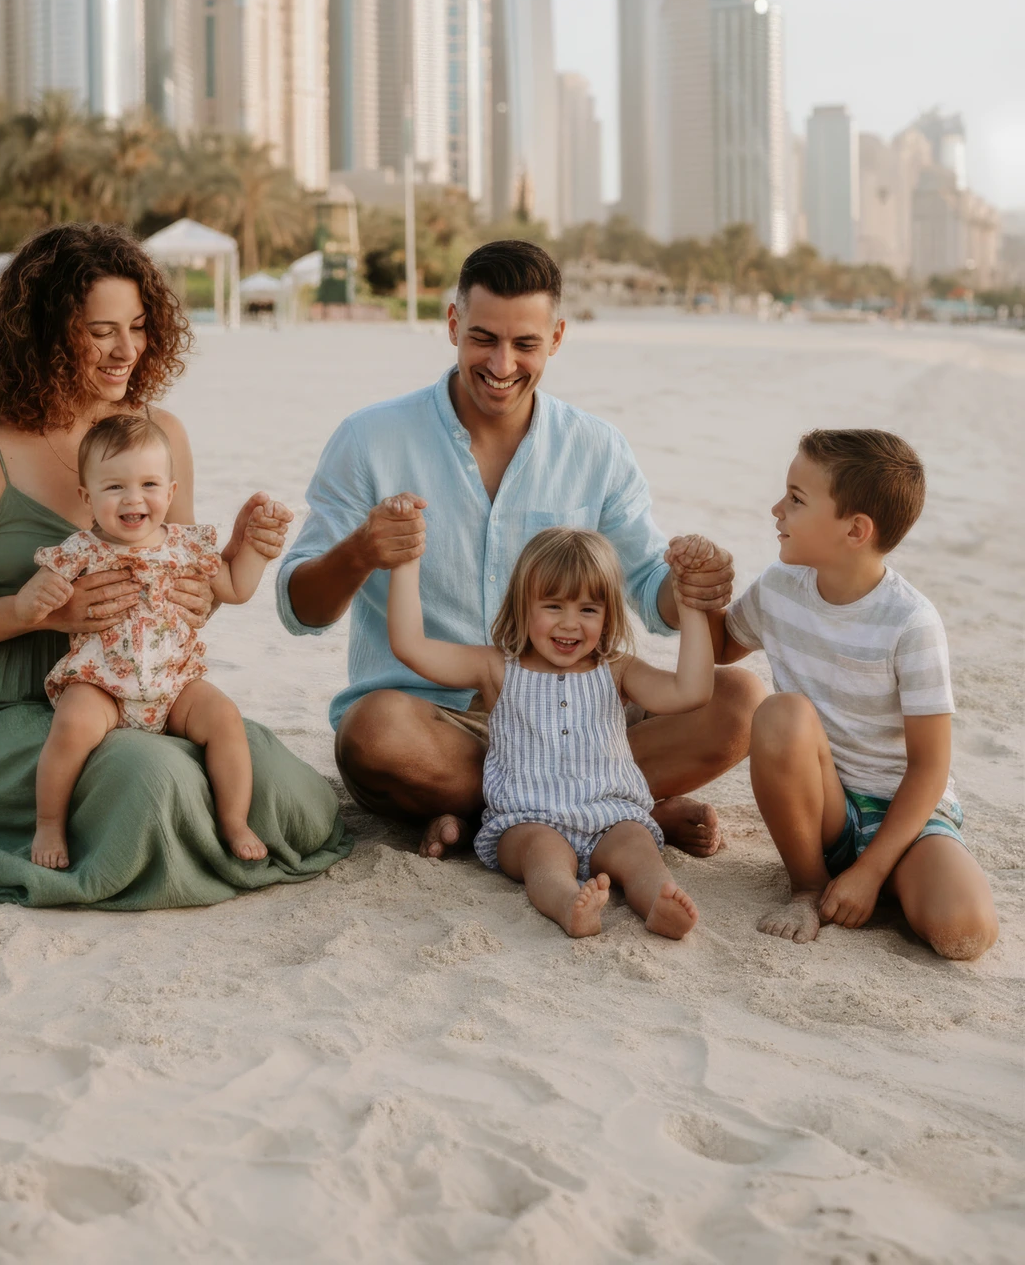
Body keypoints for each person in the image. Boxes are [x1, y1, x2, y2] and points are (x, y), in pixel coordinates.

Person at [0, 222, 352, 908]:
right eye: (101, 330)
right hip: (9, 705)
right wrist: (30, 611)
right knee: (153, 783)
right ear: (44, 333)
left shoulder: (159, 436)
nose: (127, 349)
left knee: (288, 795)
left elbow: (194, 581)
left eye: (138, 325)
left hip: (146, 684)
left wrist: (223, 577)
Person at [278, 240, 764, 859]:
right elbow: (301, 612)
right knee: (372, 734)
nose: (502, 363)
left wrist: (692, 584)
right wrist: (361, 551)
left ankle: (496, 813)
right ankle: (609, 811)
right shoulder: (369, 438)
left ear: (557, 337)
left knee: (743, 702)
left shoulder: (597, 448)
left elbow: (649, 590)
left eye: (525, 344)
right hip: (434, 730)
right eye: (483, 338)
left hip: (581, 724)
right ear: (453, 323)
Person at [701, 428, 998, 959]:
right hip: (824, 808)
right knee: (780, 713)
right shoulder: (778, 589)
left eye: (795, 499)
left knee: (966, 932)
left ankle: (883, 878)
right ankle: (810, 887)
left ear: (855, 530)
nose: (776, 509)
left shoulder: (911, 622)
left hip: (904, 814)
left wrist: (872, 869)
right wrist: (696, 589)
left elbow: (929, 767)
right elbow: (722, 644)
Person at [387, 513, 716, 939]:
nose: (569, 623)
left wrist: (690, 602)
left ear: (608, 614)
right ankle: (567, 904)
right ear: (525, 605)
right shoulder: (496, 668)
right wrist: (406, 560)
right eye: (553, 605)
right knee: (543, 857)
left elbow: (691, 692)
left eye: (588, 609)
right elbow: (411, 647)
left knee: (638, 848)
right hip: (526, 820)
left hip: (610, 815)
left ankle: (657, 902)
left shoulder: (616, 669)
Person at [27, 412, 287, 869]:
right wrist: (41, 593)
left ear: (171, 492)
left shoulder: (187, 545)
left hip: (174, 685)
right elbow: (39, 599)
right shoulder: (82, 549)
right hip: (102, 682)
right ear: (87, 497)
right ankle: (49, 822)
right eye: (114, 488)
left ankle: (234, 821)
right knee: (71, 725)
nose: (133, 499)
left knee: (225, 718)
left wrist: (255, 549)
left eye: (149, 485)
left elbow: (235, 589)